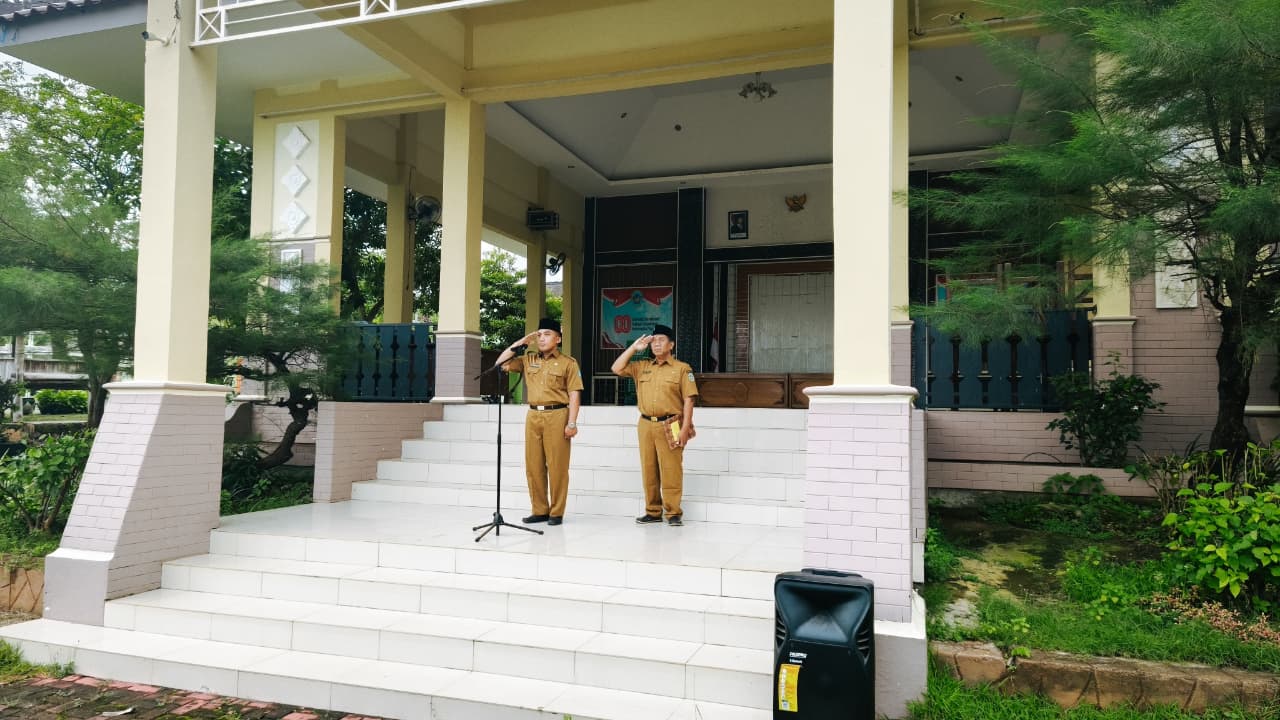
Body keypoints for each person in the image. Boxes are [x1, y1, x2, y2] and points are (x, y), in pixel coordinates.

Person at [497, 318, 582, 526]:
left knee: (557, 466)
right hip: (533, 415)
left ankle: (556, 512)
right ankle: (540, 510)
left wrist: (572, 423)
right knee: (533, 465)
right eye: (540, 334)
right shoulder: (528, 359)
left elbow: (574, 393)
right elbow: (501, 364)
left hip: (557, 414)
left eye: (547, 334)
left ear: (558, 338)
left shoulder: (568, 363)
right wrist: (520, 343)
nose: (542, 338)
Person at [610, 324, 698, 526]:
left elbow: (689, 399)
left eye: (661, 340)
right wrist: (634, 348)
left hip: (672, 423)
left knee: (671, 469)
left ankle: (673, 512)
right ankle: (652, 511)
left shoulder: (682, 369)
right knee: (649, 469)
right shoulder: (643, 367)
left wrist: (685, 428)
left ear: (671, 344)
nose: (656, 344)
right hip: (646, 424)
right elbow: (616, 368)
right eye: (653, 341)